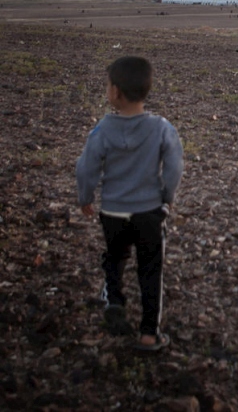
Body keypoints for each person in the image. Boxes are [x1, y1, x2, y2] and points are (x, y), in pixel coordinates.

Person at [76, 56, 184, 351]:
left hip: (112, 211)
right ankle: (150, 333)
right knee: (150, 270)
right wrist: (167, 196)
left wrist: (85, 197)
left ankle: (115, 301)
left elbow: (86, 168)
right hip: (148, 211)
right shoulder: (161, 127)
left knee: (114, 257)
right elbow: (174, 165)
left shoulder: (102, 130)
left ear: (114, 92)